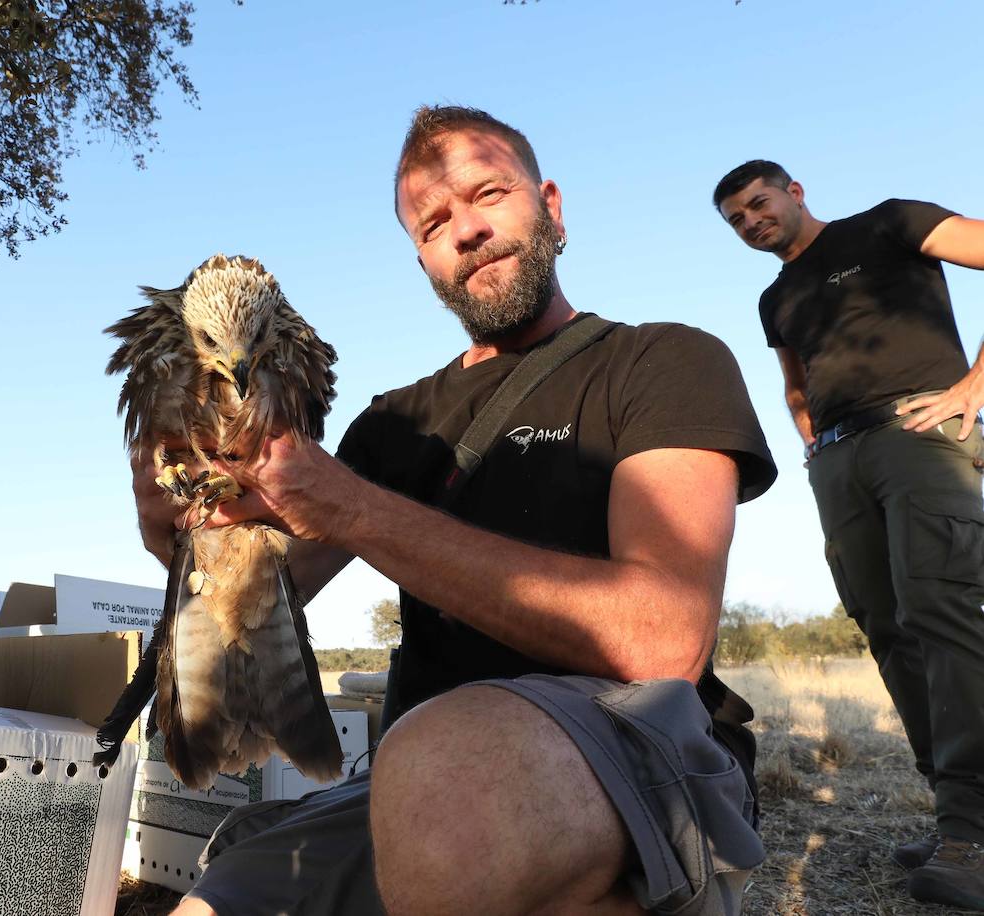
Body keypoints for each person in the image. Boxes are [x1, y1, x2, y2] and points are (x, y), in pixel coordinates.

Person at [131, 105, 777, 916]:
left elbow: (663, 641)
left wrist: (355, 509)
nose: (465, 230)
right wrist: (185, 530)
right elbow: (260, 593)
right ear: (423, 261)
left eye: (489, 194)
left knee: (446, 783)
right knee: (216, 902)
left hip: (631, 748)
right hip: (413, 780)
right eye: (434, 223)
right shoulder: (390, 427)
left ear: (552, 206)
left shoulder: (663, 361)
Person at [714, 160, 984, 910]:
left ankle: (976, 831)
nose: (751, 222)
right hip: (839, 457)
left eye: (758, 204)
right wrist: (811, 446)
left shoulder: (892, 221)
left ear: (794, 192)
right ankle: (954, 815)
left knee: (942, 613)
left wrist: (975, 385)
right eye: (736, 220)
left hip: (917, 430)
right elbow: (796, 383)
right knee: (887, 628)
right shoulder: (776, 297)